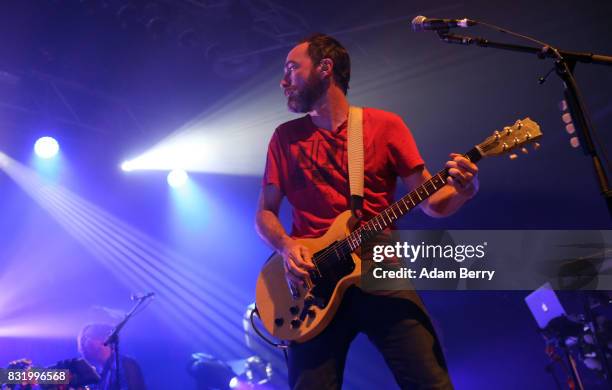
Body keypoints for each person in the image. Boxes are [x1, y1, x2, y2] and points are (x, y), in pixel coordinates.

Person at [255, 33, 479, 389]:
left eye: (292, 69)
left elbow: (431, 202)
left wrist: (464, 191)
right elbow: (265, 213)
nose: (284, 81)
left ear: (325, 68)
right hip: (313, 287)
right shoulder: (284, 138)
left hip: (380, 271)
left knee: (430, 383)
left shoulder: (384, 126)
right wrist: (285, 245)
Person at [77, 323, 146, 390]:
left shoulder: (127, 364)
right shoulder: (90, 370)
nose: (85, 342)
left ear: (104, 338)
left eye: (88, 336)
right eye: (83, 338)